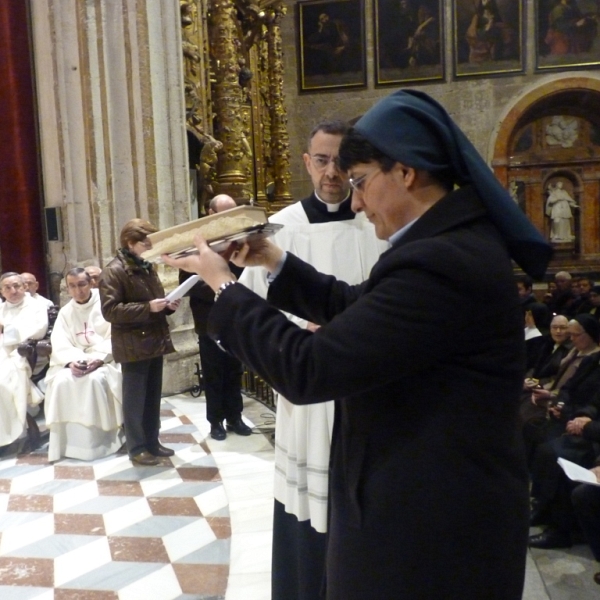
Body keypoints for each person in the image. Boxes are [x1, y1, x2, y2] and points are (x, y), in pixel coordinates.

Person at [164, 89, 552, 600]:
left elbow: (308, 369)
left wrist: (225, 287)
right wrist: (273, 260)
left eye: (362, 182)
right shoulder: (446, 245)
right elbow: (355, 306)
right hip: (431, 503)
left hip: (430, 527)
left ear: (406, 172)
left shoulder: (440, 262)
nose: (356, 202)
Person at [239, 119, 387, 600]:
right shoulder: (282, 229)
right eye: (321, 161)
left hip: (365, 384)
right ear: (307, 162)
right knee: (310, 504)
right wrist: (294, 333)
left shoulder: (376, 222)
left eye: (341, 162)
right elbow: (249, 314)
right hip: (305, 391)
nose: (331, 173)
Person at [99, 219, 180, 466]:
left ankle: (152, 441)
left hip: (153, 338)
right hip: (133, 344)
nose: (150, 246)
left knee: (153, 395)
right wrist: (148, 307)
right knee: (135, 399)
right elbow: (110, 311)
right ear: (130, 242)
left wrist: (166, 306)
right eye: (146, 242)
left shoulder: (146, 266)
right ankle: (136, 447)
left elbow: (153, 301)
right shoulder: (114, 271)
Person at [181, 194, 252, 441]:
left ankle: (235, 417)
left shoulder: (239, 240)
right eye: (224, 213)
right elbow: (188, 283)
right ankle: (216, 422)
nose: (228, 218)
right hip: (208, 318)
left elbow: (248, 274)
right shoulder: (194, 243)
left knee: (234, 370)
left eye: (232, 213)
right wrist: (219, 284)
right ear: (210, 213)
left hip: (235, 317)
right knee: (213, 373)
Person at [44, 268, 123, 462]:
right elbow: (60, 342)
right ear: (68, 288)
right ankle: (69, 444)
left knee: (94, 381)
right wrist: (72, 362)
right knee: (61, 382)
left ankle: (101, 441)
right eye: (72, 286)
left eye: (82, 284)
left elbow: (116, 335)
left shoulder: (106, 303)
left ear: (91, 284)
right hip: (76, 361)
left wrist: (98, 358)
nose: (78, 290)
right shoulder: (66, 311)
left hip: (106, 359)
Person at [0, 272, 48, 447]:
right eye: (8, 288)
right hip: (2, 353)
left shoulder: (35, 307)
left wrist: (6, 329)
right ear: (2, 291)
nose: (13, 291)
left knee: (2, 382)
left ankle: (7, 436)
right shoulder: (1, 308)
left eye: (17, 286)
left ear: (25, 287)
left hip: (22, 357)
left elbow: (37, 332)